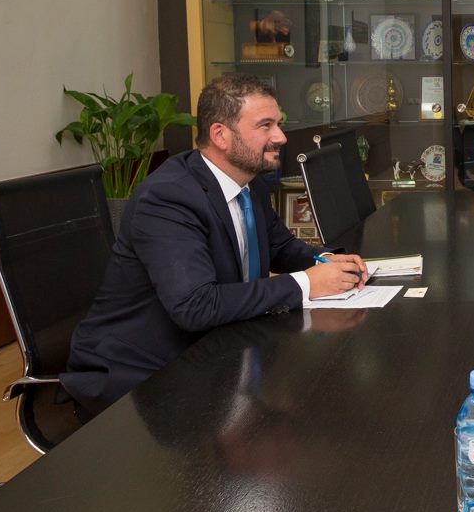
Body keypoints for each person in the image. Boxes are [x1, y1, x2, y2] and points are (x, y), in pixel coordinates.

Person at [62, 74, 369, 418]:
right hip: (144, 380)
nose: (281, 137)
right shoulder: (168, 197)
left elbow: (280, 246)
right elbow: (195, 305)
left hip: (219, 353)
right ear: (220, 135)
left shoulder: (249, 182)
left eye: (278, 124)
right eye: (265, 125)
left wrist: (328, 260)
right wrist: (307, 283)